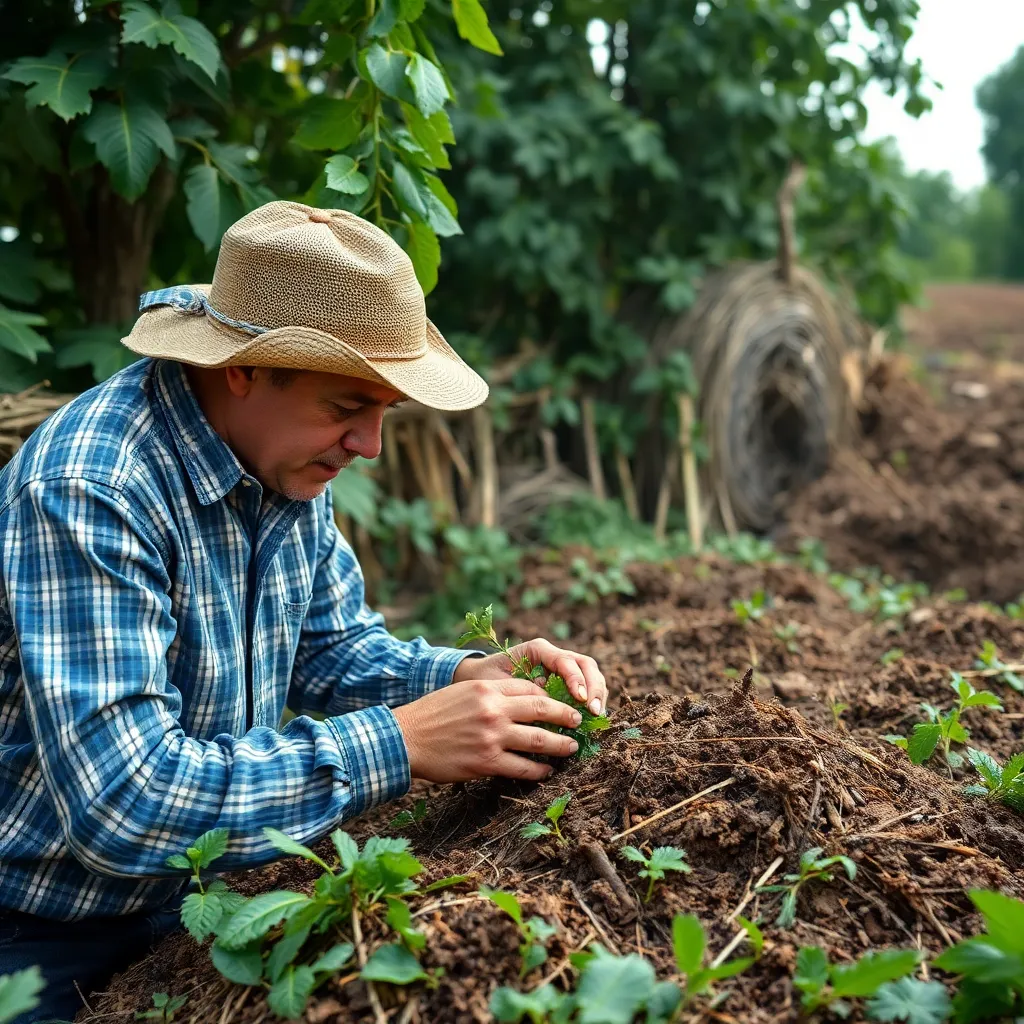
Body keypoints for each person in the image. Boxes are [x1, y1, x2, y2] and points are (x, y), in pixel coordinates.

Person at [0, 201, 607, 1023]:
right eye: (347, 406)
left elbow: (330, 648)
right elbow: (123, 800)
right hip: (41, 927)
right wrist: (399, 742)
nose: (371, 445)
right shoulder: (93, 489)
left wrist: (466, 675)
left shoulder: (277, 460)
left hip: (205, 892)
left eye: (386, 410)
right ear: (243, 371)